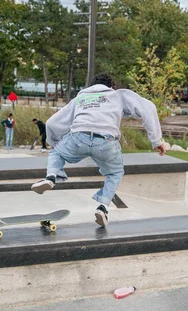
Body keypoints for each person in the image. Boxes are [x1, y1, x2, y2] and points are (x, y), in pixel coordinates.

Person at [31, 73, 166, 228]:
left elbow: (52, 123)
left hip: (78, 137)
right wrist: (155, 140)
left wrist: (55, 143)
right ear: (111, 87)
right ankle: (103, 207)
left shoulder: (80, 99)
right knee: (115, 173)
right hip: (106, 142)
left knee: (56, 153)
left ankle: (51, 176)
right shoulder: (118, 95)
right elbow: (148, 107)